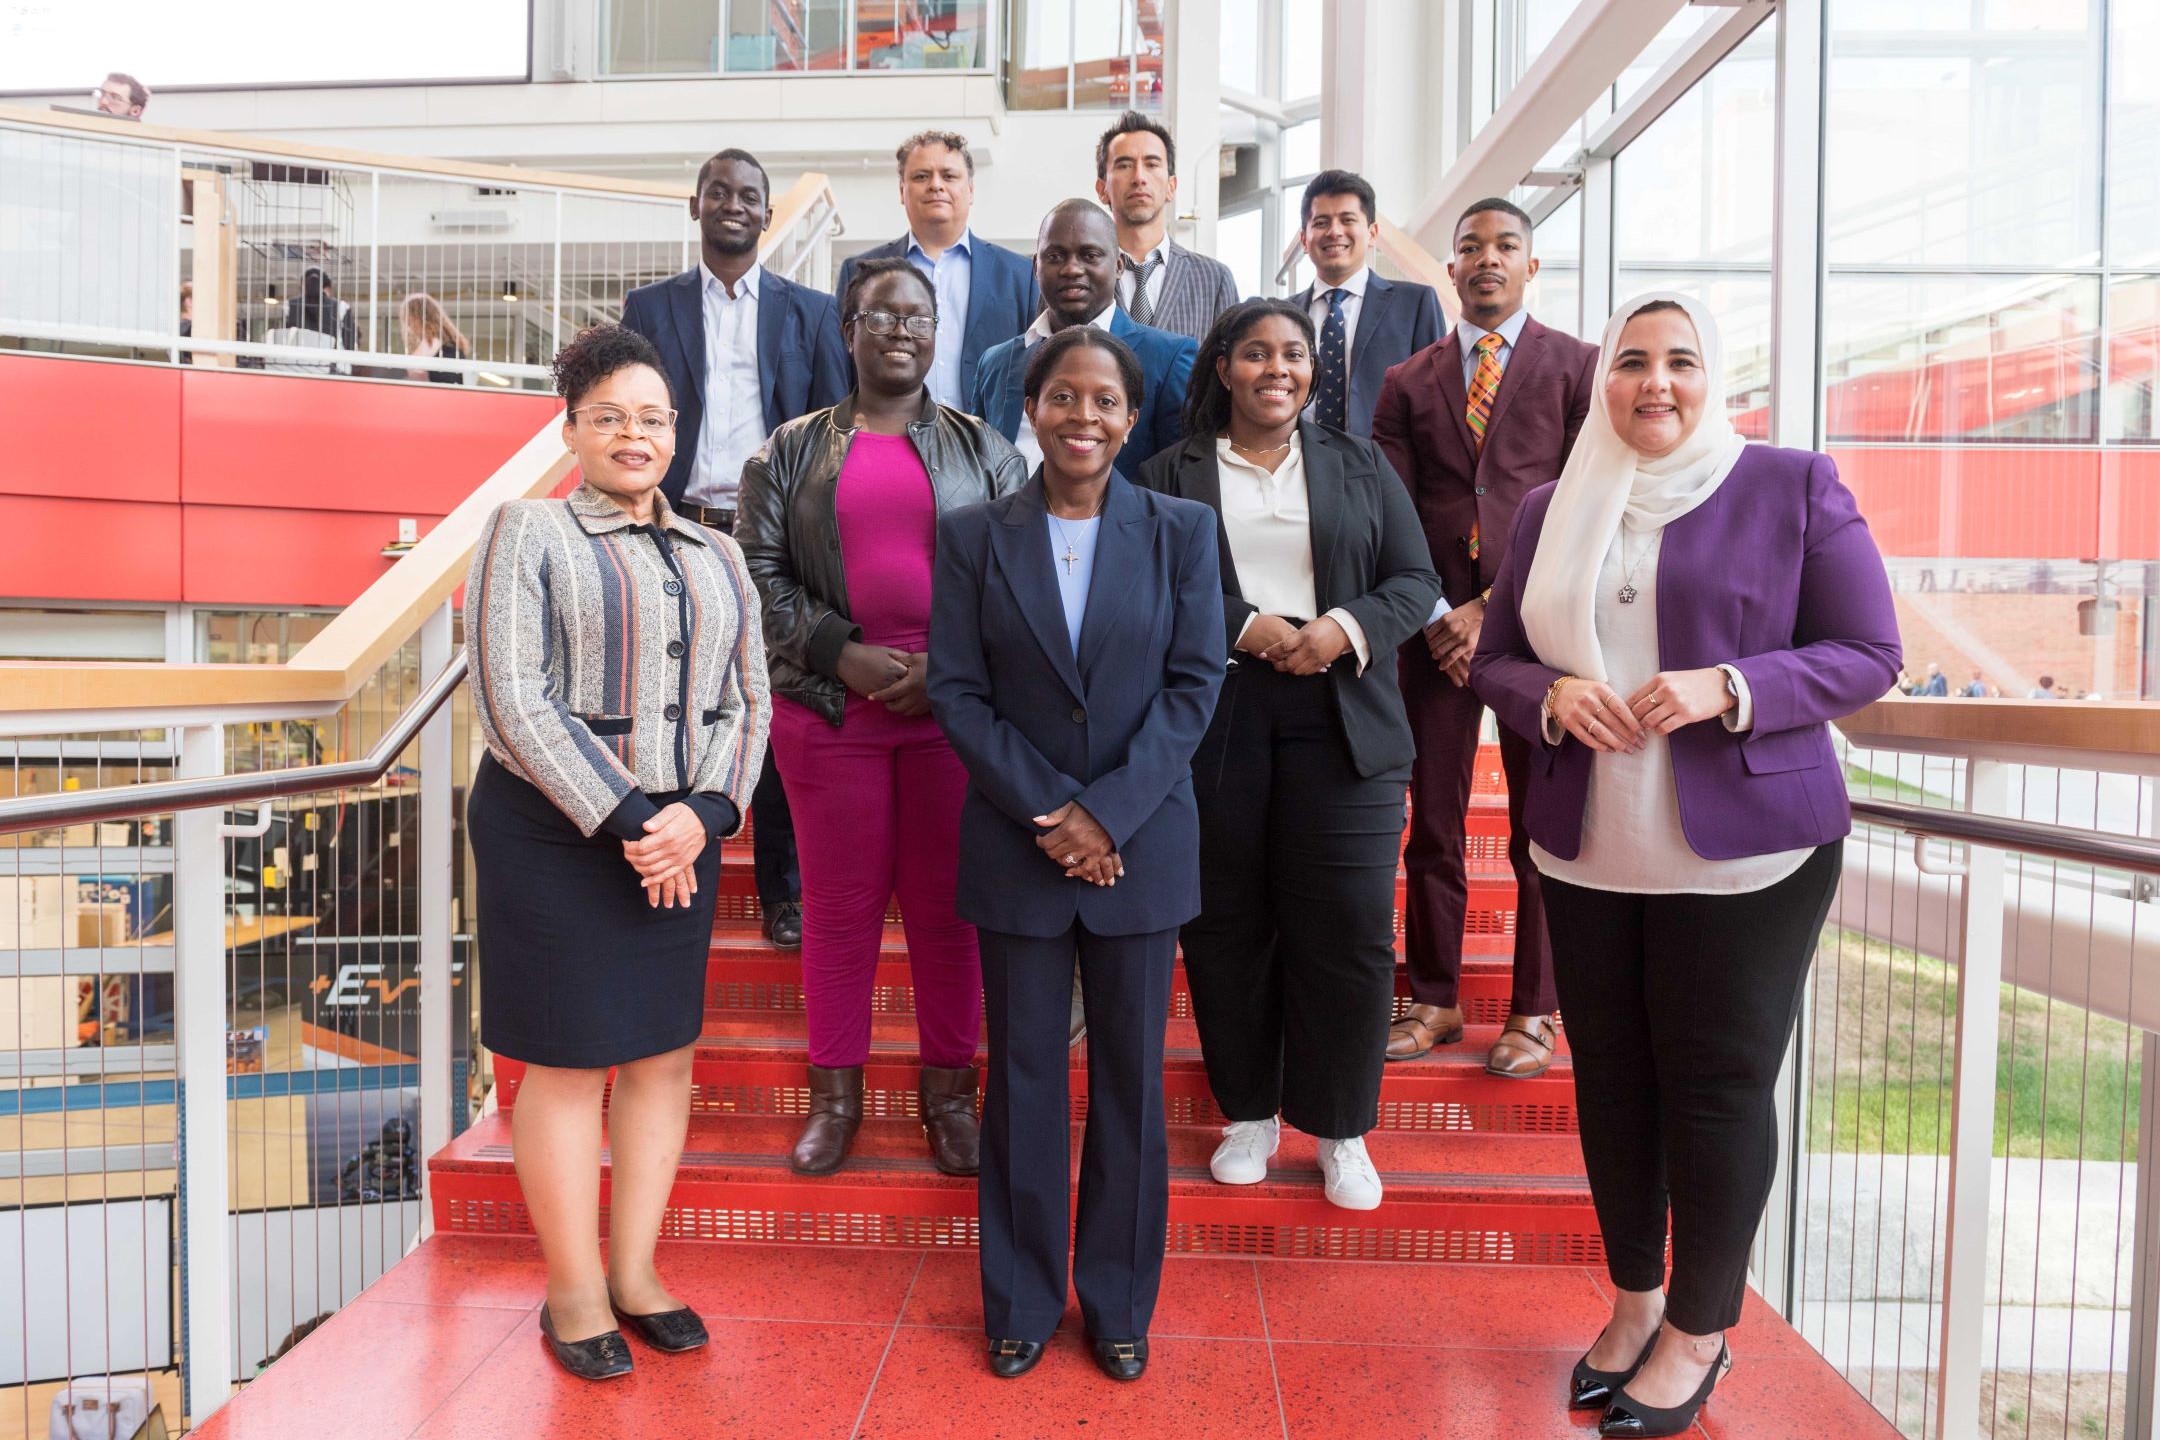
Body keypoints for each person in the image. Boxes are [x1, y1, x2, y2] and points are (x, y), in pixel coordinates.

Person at [1471, 293, 1899, 1436]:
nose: (1653, 383)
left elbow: (1868, 652)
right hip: (1594, 846)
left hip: (1749, 855)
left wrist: (1737, 686)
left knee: (1714, 1087)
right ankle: (1633, 1299)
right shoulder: (1555, 507)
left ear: (1716, 378)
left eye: (1680, 362)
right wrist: (1550, 695)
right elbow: (1497, 660)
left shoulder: (1790, 484)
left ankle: (1700, 1329)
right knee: (1613, 1082)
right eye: (1631, 363)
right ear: (1601, 380)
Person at [464, 322, 770, 1380]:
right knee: (564, 1062)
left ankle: (637, 1273)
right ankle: (574, 1288)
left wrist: (707, 816)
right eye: (610, 419)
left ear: (676, 433)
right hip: (553, 836)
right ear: (573, 429)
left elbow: (749, 701)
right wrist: (640, 817)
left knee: (660, 1054)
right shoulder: (527, 533)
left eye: (652, 419)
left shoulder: (716, 550)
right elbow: (514, 698)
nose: (633, 436)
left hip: (678, 840)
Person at [929, 325, 1224, 1384]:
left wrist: (1109, 817)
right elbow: (957, 691)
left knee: (1132, 1090)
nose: (1083, 418)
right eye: (1063, 397)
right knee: (1019, 1083)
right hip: (1019, 847)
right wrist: (1056, 813)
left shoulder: (1182, 530)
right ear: (1034, 407)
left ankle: (1117, 1303)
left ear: (1132, 418)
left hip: (1141, 849)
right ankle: (1016, 1299)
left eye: (1104, 401)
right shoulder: (972, 535)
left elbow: (1195, 685)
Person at [1139, 298, 1440, 1212]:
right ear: (1224, 366)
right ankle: (1250, 1115)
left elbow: (1415, 580)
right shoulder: (1168, 471)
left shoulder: (1360, 464)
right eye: (1258, 353)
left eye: (1295, 355)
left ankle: (1341, 1128)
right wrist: (1245, 626)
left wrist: (1341, 627)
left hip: (1343, 712)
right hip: (1217, 714)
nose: (1279, 368)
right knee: (1229, 924)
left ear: (1314, 371)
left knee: (1349, 929)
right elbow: (1150, 587)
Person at [737, 258, 1027, 1177]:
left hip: (955, 712)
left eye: (918, 317)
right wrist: (839, 651)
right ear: (847, 330)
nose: (901, 330)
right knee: (838, 908)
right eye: (880, 315)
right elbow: (760, 571)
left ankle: (950, 1097)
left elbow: (1019, 580)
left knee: (952, 914)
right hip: (830, 710)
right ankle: (837, 1096)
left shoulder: (989, 451)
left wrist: (949, 668)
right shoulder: (788, 448)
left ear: (939, 334)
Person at [1373, 197, 1600, 1078]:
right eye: (1470, 248)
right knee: (1431, 822)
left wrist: (1492, 610)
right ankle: (1432, 998)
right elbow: (1388, 513)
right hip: (1430, 635)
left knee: (1537, 829)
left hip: (1534, 628)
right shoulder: (1407, 379)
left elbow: (1583, 508)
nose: (1487, 259)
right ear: (1452, 268)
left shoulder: (1576, 368)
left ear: (1531, 265)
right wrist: (1439, 616)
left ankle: (1534, 1010)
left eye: (1506, 246)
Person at [621, 146, 847, 949]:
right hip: (674, 523)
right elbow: (631, 412)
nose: (734, 205)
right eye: (719, 192)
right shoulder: (648, 309)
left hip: (767, 535)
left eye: (749, 195)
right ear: (696, 207)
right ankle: (666, 867)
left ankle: (785, 891)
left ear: (766, 211)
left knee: (768, 706)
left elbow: (831, 432)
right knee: (671, 699)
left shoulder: (812, 312)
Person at [973, 200, 1196, 485]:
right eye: (1055, 257)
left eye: (1089, 256)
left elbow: (1178, 481)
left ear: (1118, 265)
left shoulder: (1168, 359)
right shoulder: (996, 363)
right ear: (1036, 266)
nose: (1071, 269)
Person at [834, 131, 1035, 411]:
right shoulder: (861, 273)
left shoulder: (1020, 275)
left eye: (949, 176)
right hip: (889, 440)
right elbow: (842, 370)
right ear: (902, 191)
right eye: (921, 176)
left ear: (971, 190)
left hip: (988, 444)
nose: (936, 185)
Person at [1291, 170, 1443, 437]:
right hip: (1300, 464)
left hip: (1382, 467)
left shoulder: (1415, 304)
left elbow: (1434, 401)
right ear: (1304, 238)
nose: (1334, 232)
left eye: (1347, 220)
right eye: (1321, 222)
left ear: (1372, 233)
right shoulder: (1284, 314)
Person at [1095, 111, 1241, 342]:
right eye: (1124, 165)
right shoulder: (1082, 277)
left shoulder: (1214, 280)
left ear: (1171, 186)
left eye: (1152, 164)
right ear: (1102, 189)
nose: (1139, 177)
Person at [266, 266, 359, 375]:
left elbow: (285, 336)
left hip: (297, 367)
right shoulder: (341, 307)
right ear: (325, 286)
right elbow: (350, 343)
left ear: (303, 285)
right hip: (333, 369)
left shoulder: (290, 305)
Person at [400, 293, 470, 384]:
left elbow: (410, 368)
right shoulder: (452, 344)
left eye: (409, 320)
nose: (409, 326)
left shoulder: (432, 343)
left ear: (419, 318)